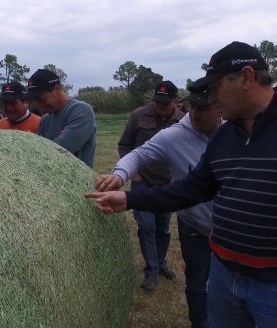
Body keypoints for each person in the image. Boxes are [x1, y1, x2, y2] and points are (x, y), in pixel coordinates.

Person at [85, 41, 277, 327]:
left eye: (216, 87)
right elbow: (192, 189)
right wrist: (130, 200)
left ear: (246, 78)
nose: (212, 99)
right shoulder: (226, 136)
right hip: (223, 278)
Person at [95, 90, 222, 327]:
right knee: (196, 284)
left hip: (231, 230)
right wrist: (120, 175)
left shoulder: (235, 132)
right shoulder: (174, 135)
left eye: (203, 108)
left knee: (226, 287)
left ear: (221, 108)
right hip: (194, 226)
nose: (195, 113)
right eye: (192, 106)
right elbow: (138, 155)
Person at [117, 80, 185, 290]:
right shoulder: (138, 115)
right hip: (142, 181)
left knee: (163, 227)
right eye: (157, 102)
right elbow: (125, 145)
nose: (161, 106)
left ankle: (162, 263)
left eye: (166, 103)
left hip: (168, 183)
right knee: (146, 226)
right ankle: (151, 269)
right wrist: (135, 175)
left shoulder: (184, 121)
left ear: (176, 101)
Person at [25, 69, 96, 168]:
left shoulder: (81, 111)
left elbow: (62, 149)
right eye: (36, 101)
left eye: (41, 99)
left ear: (57, 89)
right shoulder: (44, 120)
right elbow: (38, 151)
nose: (39, 105)